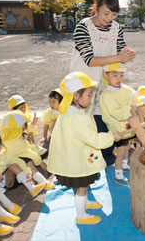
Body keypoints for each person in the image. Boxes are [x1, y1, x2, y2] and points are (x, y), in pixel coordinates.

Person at [70, 0, 136, 166]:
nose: (110, 18)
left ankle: (106, 156)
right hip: (82, 82)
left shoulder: (116, 28)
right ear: (95, 8)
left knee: (104, 117)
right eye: (106, 13)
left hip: (105, 82)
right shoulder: (83, 26)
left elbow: (120, 50)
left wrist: (127, 54)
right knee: (79, 119)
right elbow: (90, 60)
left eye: (114, 14)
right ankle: (76, 158)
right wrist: (119, 58)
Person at [48, 72, 121, 225]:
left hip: (76, 155)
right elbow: (93, 139)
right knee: (82, 187)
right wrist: (111, 137)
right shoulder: (76, 118)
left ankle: (86, 202)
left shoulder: (70, 112)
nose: (90, 98)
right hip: (77, 160)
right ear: (75, 95)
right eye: (88, 94)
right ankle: (81, 216)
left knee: (84, 185)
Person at [0, 127, 46, 220]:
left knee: (14, 165)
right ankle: (10, 207)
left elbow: (17, 160)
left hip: (6, 180)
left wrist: (27, 172)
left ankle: (31, 188)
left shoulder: (2, 153)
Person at [100, 63, 138, 186]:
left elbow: (134, 98)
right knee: (120, 152)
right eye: (114, 75)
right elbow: (115, 112)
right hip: (118, 130)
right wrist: (130, 110)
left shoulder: (125, 89)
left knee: (127, 147)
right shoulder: (106, 95)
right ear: (105, 75)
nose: (119, 79)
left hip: (128, 128)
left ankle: (124, 165)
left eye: (121, 75)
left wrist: (136, 106)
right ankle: (118, 174)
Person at [0, 111, 54, 189]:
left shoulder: (8, 137)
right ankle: (42, 181)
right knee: (28, 161)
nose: (26, 126)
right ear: (19, 126)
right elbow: (29, 153)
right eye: (25, 124)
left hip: (14, 164)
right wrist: (40, 162)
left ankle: (43, 178)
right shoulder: (15, 142)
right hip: (17, 171)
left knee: (37, 155)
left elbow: (29, 148)